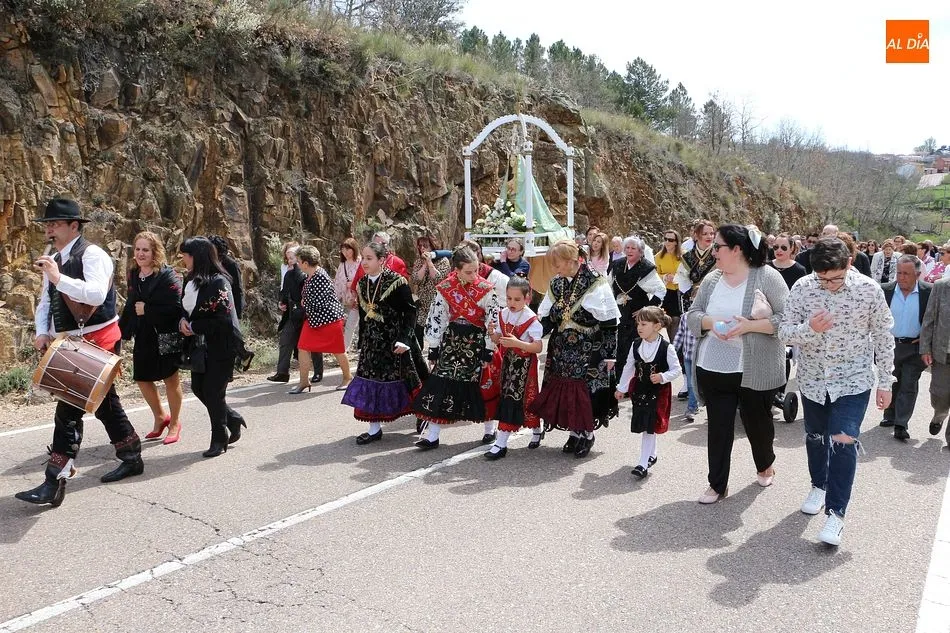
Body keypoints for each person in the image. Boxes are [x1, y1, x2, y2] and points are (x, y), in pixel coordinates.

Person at [16, 199, 143, 507]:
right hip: (72, 341)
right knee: (105, 405)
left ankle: (54, 479)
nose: (48, 228)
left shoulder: (93, 254)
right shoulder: (55, 257)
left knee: (69, 410)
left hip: (97, 338)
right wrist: (43, 331)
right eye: (47, 224)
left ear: (75, 226)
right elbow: (47, 299)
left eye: (55, 223)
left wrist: (59, 277)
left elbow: (97, 294)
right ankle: (131, 455)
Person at [779, 237, 894, 546]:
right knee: (816, 437)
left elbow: (883, 336)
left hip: (853, 380)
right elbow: (784, 333)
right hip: (813, 380)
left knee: (843, 439)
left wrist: (886, 381)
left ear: (848, 264)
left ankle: (836, 515)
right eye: (823, 278)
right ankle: (819, 485)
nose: (829, 284)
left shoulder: (868, 290)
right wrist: (809, 329)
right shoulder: (803, 288)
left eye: (836, 277)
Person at [687, 224, 788, 504]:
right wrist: (712, 323)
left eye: (718, 246)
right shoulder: (711, 279)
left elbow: (786, 320)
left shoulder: (768, 277)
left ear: (736, 249)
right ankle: (716, 484)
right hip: (714, 366)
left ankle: (765, 462)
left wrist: (751, 326)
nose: (713, 251)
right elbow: (693, 315)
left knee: (758, 424)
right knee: (718, 428)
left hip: (753, 369)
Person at [530, 241, 620, 457]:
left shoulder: (595, 282)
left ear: (572, 260)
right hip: (561, 348)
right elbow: (546, 316)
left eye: (557, 263)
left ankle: (586, 434)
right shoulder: (557, 284)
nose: (554, 268)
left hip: (587, 348)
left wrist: (610, 354)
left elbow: (609, 321)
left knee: (583, 392)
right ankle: (574, 432)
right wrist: (530, 335)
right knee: (564, 391)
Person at [413, 247, 499, 449]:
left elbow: (493, 319)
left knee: (480, 385)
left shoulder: (486, 289)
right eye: (469, 272)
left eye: (476, 270)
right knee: (441, 382)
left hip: (476, 341)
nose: (474, 275)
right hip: (451, 341)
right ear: (457, 270)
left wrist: (489, 348)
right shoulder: (446, 288)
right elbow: (437, 316)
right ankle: (432, 434)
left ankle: (489, 429)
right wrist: (433, 347)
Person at [342, 241, 428, 444]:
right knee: (370, 382)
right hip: (373, 343)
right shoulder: (362, 283)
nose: (364, 262)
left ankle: (423, 416)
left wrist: (405, 339)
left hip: (396, 340)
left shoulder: (397, 281)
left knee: (409, 381)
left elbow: (410, 312)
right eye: (363, 258)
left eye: (369, 258)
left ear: (382, 260)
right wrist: (363, 340)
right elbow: (364, 314)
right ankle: (374, 429)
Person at [178, 237, 247, 458]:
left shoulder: (219, 282)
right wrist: (182, 321)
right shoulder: (189, 280)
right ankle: (232, 418)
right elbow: (185, 308)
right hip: (199, 346)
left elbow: (224, 320)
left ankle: (219, 438)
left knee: (213, 392)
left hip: (221, 346)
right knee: (199, 388)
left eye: (186, 254)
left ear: (196, 256)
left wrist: (195, 326)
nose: (183, 259)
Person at [118, 231, 185, 445]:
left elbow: (176, 307)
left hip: (166, 335)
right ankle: (160, 417)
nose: (140, 253)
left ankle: (174, 423)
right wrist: (121, 332)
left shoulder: (168, 275)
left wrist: (148, 309)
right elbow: (131, 303)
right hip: (144, 334)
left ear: (155, 252)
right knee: (142, 377)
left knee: (170, 379)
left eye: (145, 249)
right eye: (137, 249)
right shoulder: (134, 274)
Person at [615, 306, 682, 479]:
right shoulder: (636, 344)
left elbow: (676, 370)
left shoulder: (667, 348)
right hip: (640, 390)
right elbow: (629, 366)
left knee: (649, 426)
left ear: (657, 326)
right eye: (638, 323)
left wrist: (663, 376)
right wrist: (621, 388)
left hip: (658, 392)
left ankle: (643, 463)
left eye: (644, 324)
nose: (639, 327)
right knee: (646, 425)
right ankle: (652, 454)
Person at [484, 276, 544, 460]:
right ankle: (535, 430)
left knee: (524, 398)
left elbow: (538, 347)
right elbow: (498, 340)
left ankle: (502, 443)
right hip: (508, 363)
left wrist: (517, 343)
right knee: (509, 396)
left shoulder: (532, 320)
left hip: (525, 365)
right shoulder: (503, 314)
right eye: (509, 298)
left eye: (517, 299)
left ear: (527, 298)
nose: (512, 303)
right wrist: (493, 333)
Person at [880, 256, 932, 440]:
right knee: (892, 381)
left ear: (917, 275)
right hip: (889, 346)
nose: (901, 277)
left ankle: (901, 424)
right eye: (899, 273)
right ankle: (889, 415)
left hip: (914, 348)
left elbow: (934, 319)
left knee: (908, 384)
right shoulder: (884, 291)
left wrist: (927, 340)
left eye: (906, 274)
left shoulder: (928, 292)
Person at [290, 246, 353, 394]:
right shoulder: (311, 275)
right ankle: (304, 381)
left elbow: (320, 302)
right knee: (303, 347)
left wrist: (304, 302)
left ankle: (347, 377)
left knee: (337, 350)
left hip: (329, 320)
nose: (297, 264)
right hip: (314, 319)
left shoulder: (320, 276)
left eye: (299, 261)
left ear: (306, 263)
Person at [673, 219, 717, 418]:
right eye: (706, 233)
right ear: (697, 236)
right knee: (691, 353)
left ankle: (709, 399)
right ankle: (692, 402)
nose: (709, 237)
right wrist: (690, 290)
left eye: (712, 233)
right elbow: (680, 277)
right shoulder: (688, 256)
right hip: (691, 300)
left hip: (714, 301)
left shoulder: (717, 254)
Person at [609, 235, 666, 381]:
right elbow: (608, 286)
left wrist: (646, 309)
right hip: (619, 313)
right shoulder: (618, 264)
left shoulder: (646, 268)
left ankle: (634, 382)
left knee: (633, 348)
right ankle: (619, 381)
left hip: (637, 317)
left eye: (633, 248)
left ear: (640, 251)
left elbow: (660, 290)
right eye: (627, 248)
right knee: (618, 347)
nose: (629, 251)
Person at [268, 243, 306, 383]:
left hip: (304, 312)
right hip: (291, 311)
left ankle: (316, 373)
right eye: (288, 258)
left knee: (307, 344)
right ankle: (282, 372)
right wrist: (282, 302)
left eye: (292, 257)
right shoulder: (287, 270)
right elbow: (284, 288)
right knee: (285, 338)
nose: (290, 260)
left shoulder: (306, 272)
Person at [921, 275, 950, 447]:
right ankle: (939, 414)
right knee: (939, 394)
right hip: (943, 351)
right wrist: (925, 347)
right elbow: (929, 319)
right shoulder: (941, 286)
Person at [410, 234, 451, 348]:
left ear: (432, 247)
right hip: (422, 303)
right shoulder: (419, 262)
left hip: (437, 303)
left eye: (425, 246)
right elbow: (415, 279)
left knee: (436, 332)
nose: (422, 248)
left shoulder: (443, 261)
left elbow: (438, 279)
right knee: (418, 330)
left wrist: (430, 263)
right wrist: (424, 264)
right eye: (420, 246)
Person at [655, 229, 684, 341]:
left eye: (670, 240)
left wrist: (676, 278)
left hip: (680, 292)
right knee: (667, 319)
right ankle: (671, 345)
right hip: (666, 291)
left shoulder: (684, 255)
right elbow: (656, 274)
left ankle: (676, 347)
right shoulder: (658, 257)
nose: (667, 242)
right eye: (665, 239)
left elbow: (688, 273)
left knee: (677, 319)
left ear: (676, 242)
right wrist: (665, 276)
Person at [334, 237, 362, 351]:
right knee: (340, 325)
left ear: (354, 249)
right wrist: (335, 298)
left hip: (357, 300)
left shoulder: (360, 262)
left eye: (348, 249)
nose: (345, 253)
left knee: (350, 325)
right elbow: (337, 282)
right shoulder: (342, 264)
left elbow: (364, 279)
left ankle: (343, 350)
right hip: (343, 300)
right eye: (343, 250)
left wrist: (354, 285)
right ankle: (340, 348)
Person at [207, 234, 244, 320]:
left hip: (228, 310)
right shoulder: (208, 263)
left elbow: (238, 291)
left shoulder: (232, 265)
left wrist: (237, 317)